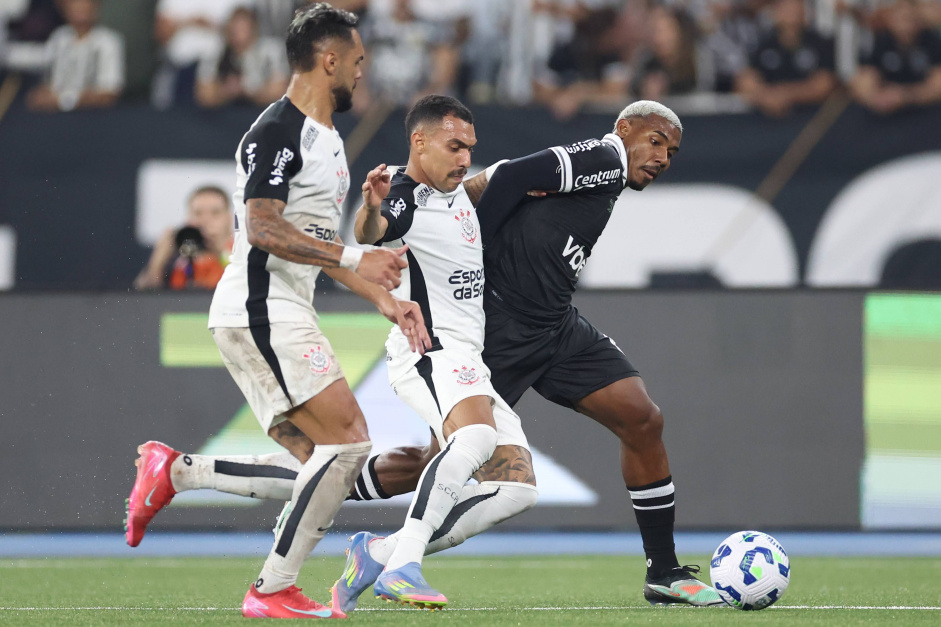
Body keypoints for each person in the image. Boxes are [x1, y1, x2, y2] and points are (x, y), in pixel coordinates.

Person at [124, 4, 431, 619]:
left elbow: (316, 247)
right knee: (348, 443)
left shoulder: (329, 142)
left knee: (321, 464)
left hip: (280, 306)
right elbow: (262, 227)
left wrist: (385, 300)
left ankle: (178, 472)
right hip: (259, 306)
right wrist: (354, 252)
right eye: (358, 62)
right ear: (329, 59)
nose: (361, 74)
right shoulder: (276, 132)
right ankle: (271, 588)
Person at [332, 94, 539, 610]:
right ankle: (405, 568)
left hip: (468, 358)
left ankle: (380, 552)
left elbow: (504, 176)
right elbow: (373, 231)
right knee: (474, 437)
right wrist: (372, 207)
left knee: (518, 488)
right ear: (418, 143)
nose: (464, 157)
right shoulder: (404, 195)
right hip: (428, 350)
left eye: (470, 146)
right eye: (454, 146)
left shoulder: (460, 192)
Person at [735, 0, 837, 117]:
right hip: (767, 120)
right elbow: (745, 80)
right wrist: (766, 96)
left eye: (795, 7)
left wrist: (787, 94)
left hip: (812, 119)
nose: (791, 12)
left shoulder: (821, 43)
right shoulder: (763, 43)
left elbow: (825, 84)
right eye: (785, 7)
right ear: (774, 13)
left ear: (804, 11)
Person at [22, 0, 123, 112]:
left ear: (95, 7)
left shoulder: (107, 42)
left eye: (85, 5)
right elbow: (48, 84)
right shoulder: (59, 38)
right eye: (74, 4)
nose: (80, 9)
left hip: (96, 117)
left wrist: (63, 100)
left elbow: (109, 95)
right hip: (55, 118)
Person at [133, 185, 234, 291]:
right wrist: (159, 258)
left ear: (229, 219)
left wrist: (220, 253)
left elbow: (245, 284)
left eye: (215, 213)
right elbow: (143, 295)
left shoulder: (241, 253)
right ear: (188, 219)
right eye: (198, 213)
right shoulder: (177, 259)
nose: (205, 220)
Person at [850, 0, 941, 115]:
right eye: (900, 17)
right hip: (884, 114)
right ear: (890, 18)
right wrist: (876, 98)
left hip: (924, 112)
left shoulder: (932, 40)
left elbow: (938, 85)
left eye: (909, 17)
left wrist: (905, 96)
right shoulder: (879, 41)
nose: (906, 24)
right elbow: (861, 80)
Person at [195, 6, 290, 109]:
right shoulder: (216, 53)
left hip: (261, 113)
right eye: (234, 29)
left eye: (243, 29)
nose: (238, 35)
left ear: (254, 29)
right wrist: (226, 91)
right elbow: (204, 95)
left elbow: (279, 92)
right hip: (224, 114)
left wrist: (247, 89)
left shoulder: (272, 51)